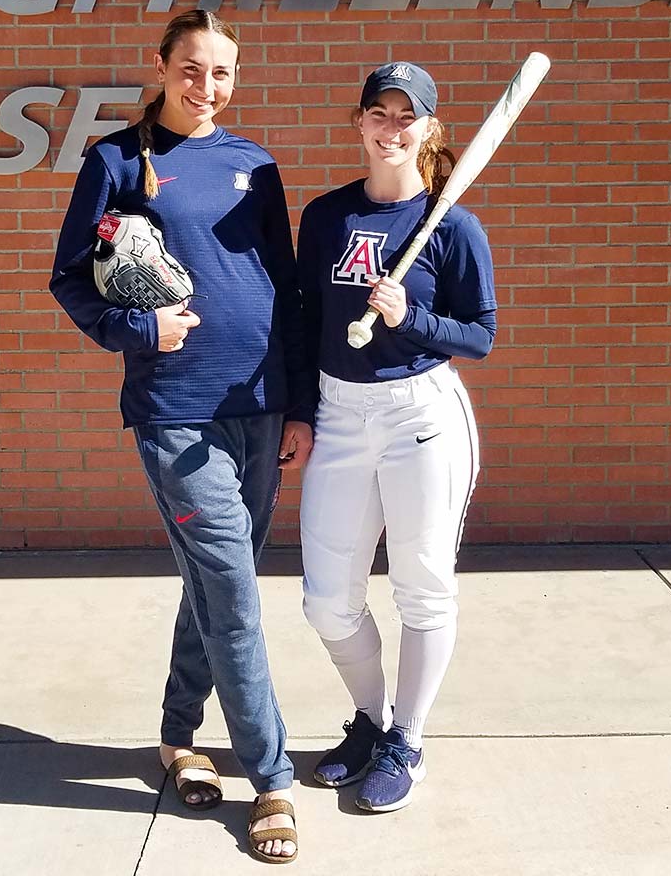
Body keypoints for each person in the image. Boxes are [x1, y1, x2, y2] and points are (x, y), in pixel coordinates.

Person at [49, 9, 312, 863]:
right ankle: (272, 780)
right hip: (176, 411)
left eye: (223, 73)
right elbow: (71, 281)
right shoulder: (118, 161)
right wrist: (139, 331)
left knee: (214, 586)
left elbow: (289, 287)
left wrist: (301, 402)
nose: (207, 87)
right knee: (234, 591)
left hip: (262, 401)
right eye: (192, 69)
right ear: (161, 67)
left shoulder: (255, 166)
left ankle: (176, 736)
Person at [294, 61, 497, 814]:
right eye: (378, 113)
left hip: (421, 415)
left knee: (421, 586)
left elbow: (480, 335)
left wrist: (409, 317)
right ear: (359, 124)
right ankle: (369, 722)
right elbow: (303, 318)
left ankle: (406, 739)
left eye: (405, 116)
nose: (390, 127)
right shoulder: (326, 217)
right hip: (339, 410)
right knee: (326, 601)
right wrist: (297, 411)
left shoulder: (451, 223)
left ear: (428, 130)